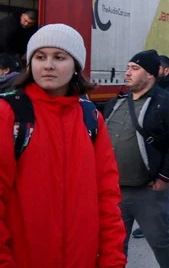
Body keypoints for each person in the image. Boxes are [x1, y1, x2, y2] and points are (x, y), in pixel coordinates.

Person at [0, 24, 126, 267]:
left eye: (59, 57)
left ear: (76, 66)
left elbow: (107, 197)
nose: (48, 65)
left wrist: (113, 260)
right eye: (40, 57)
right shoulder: (10, 113)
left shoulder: (90, 118)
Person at [102, 49, 169, 268]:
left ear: (150, 74)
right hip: (114, 191)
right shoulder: (117, 102)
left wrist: (164, 177)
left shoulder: (167, 103)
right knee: (113, 246)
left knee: (162, 243)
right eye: (128, 67)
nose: (127, 73)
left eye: (135, 68)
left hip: (148, 191)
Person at [132, 54, 169, 240]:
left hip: (167, 151)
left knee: (168, 190)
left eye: (156, 69)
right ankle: (148, 225)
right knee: (149, 194)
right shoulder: (151, 90)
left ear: (166, 70)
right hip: (150, 153)